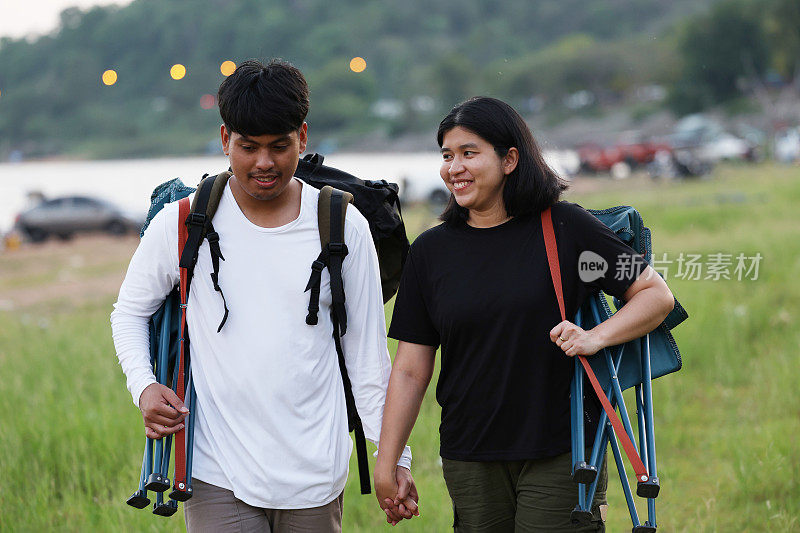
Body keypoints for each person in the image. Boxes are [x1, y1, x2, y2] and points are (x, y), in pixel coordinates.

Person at [111, 59, 416, 532]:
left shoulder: (342, 226)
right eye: (248, 147)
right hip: (216, 470)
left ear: (304, 137)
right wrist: (143, 385)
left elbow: (367, 361)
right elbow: (129, 311)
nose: (264, 163)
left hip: (316, 472)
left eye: (280, 146)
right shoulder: (183, 221)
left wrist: (395, 458)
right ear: (224, 138)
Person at [374, 96, 674, 532]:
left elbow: (654, 292)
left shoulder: (568, 228)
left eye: (469, 153)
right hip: (469, 454)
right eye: (447, 155)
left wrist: (597, 336)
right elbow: (410, 369)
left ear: (510, 159)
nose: (453, 168)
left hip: (562, 449)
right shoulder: (430, 253)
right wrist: (388, 462)